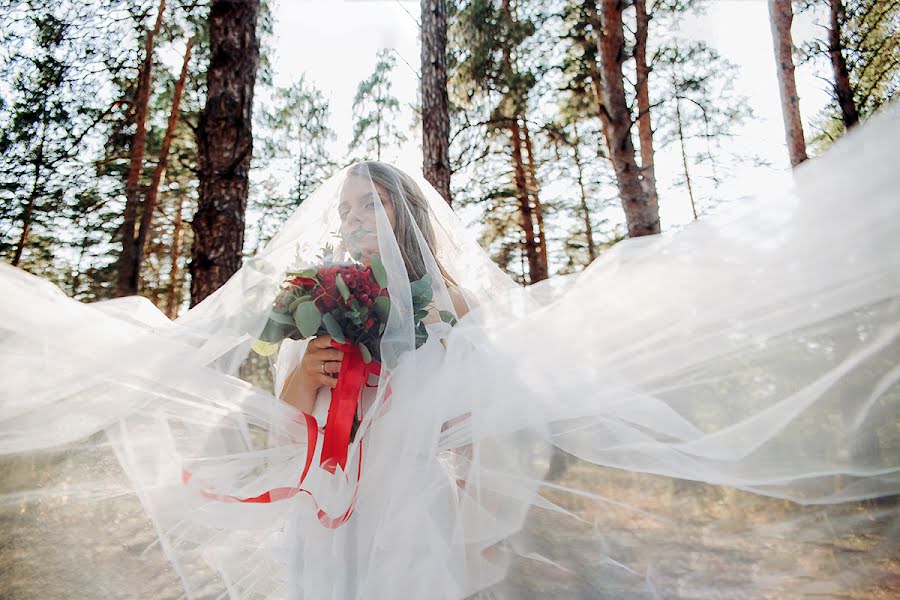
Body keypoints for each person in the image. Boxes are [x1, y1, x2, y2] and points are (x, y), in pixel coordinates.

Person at [0, 104, 898, 599]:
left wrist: (464, 456)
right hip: (328, 513)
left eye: (370, 207)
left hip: (412, 505)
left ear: (403, 214)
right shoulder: (316, 303)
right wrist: (298, 383)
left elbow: (490, 407)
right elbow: (281, 417)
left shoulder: (453, 306)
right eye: (346, 209)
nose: (354, 221)